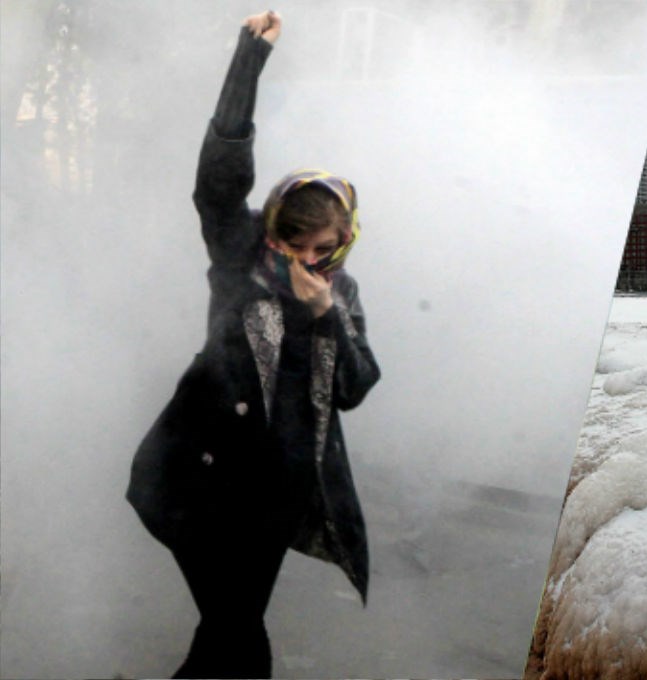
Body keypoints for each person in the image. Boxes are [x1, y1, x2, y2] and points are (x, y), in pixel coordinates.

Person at [125, 11, 381, 678]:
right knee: (239, 636)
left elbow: (355, 387)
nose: (305, 261)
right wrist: (249, 61)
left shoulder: (340, 294)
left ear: (342, 244)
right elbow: (219, 177)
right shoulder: (239, 252)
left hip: (275, 493)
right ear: (270, 230)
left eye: (322, 251)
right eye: (291, 245)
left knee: (226, 636)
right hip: (195, 480)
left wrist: (324, 317)